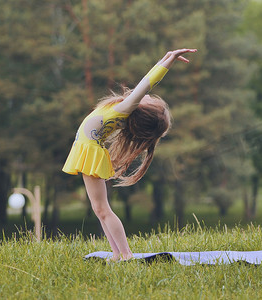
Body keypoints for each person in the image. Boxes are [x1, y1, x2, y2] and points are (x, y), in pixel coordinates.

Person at [62, 48, 197, 262]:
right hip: (88, 151)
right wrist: (165, 56)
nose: (149, 96)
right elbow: (146, 82)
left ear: (142, 108)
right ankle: (117, 254)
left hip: (90, 153)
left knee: (103, 209)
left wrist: (169, 62)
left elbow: (147, 83)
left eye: (150, 100)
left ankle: (125, 254)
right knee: (99, 209)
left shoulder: (124, 109)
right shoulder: (121, 109)